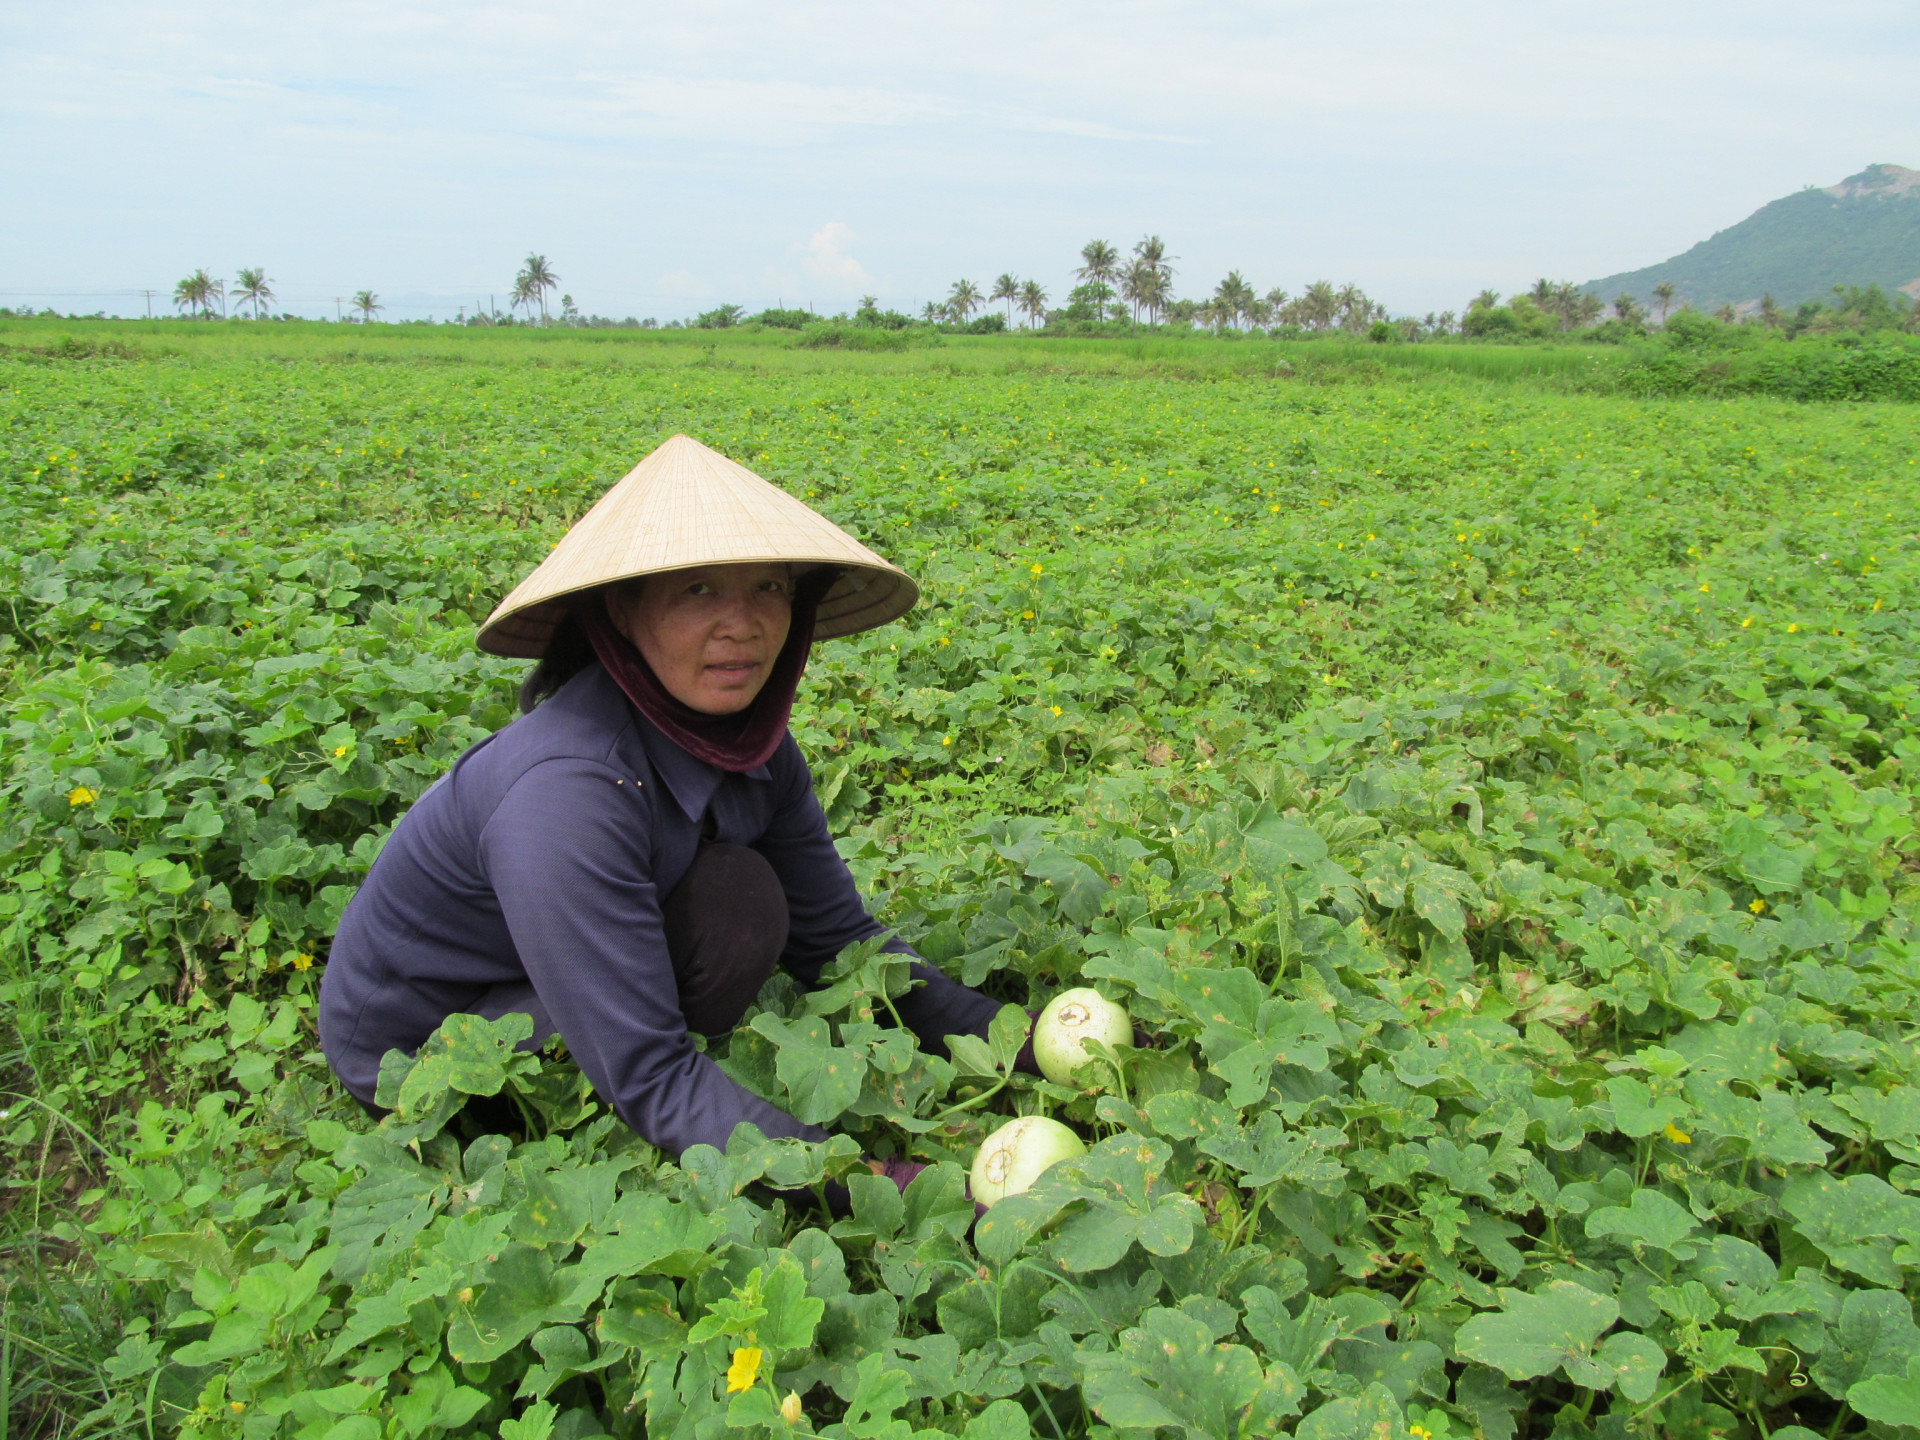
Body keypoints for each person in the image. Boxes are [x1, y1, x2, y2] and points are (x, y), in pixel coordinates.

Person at [318, 435, 1028, 1181]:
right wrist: (874, 1184)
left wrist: (1016, 1039)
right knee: (716, 937)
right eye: (697, 591)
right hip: (431, 1056)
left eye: (768, 589)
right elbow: (650, 1072)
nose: (742, 625)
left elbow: (841, 941)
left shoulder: (758, 751)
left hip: (538, 977)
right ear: (621, 613)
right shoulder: (566, 794)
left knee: (737, 902)